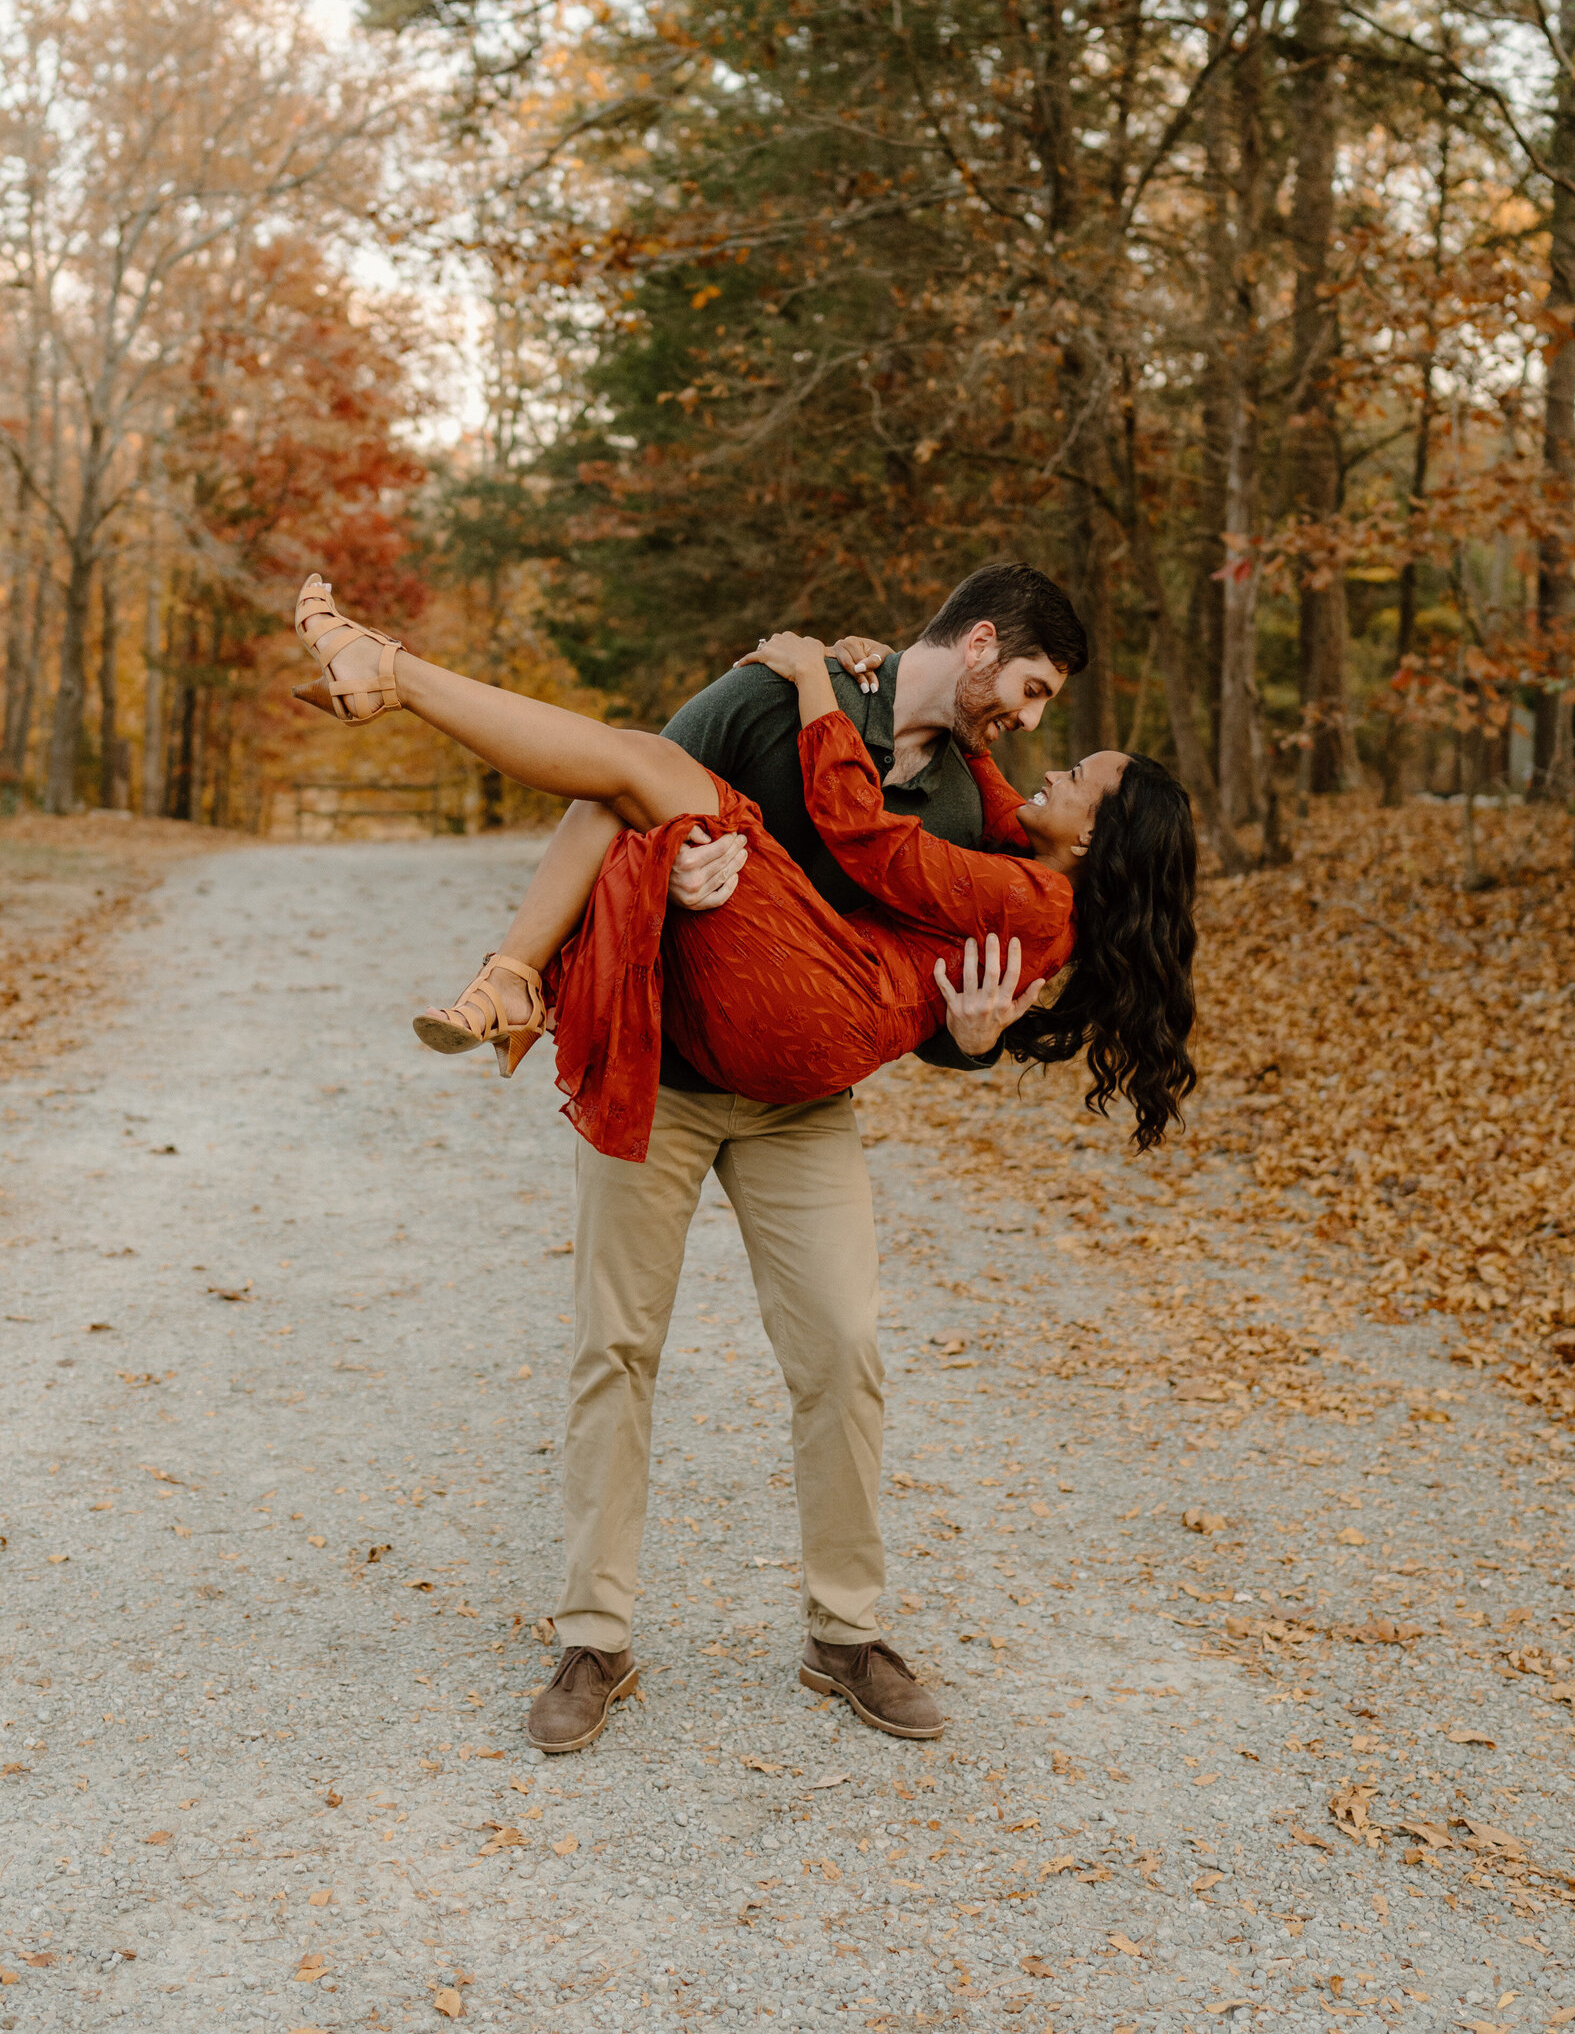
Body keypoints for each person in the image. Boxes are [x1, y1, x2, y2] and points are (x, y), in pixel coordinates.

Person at [293, 565, 1195, 1749]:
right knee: (612, 1347)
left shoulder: (971, 812)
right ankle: (594, 1637)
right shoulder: (771, 698)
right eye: (1028, 691)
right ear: (977, 646)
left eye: (1047, 722)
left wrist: (976, 1043)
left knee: (844, 1349)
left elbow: (912, 975)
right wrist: (665, 876)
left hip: (799, 1097)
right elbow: (608, 790)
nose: (1032, 729)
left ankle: (847, 1631)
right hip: (666, 1070)